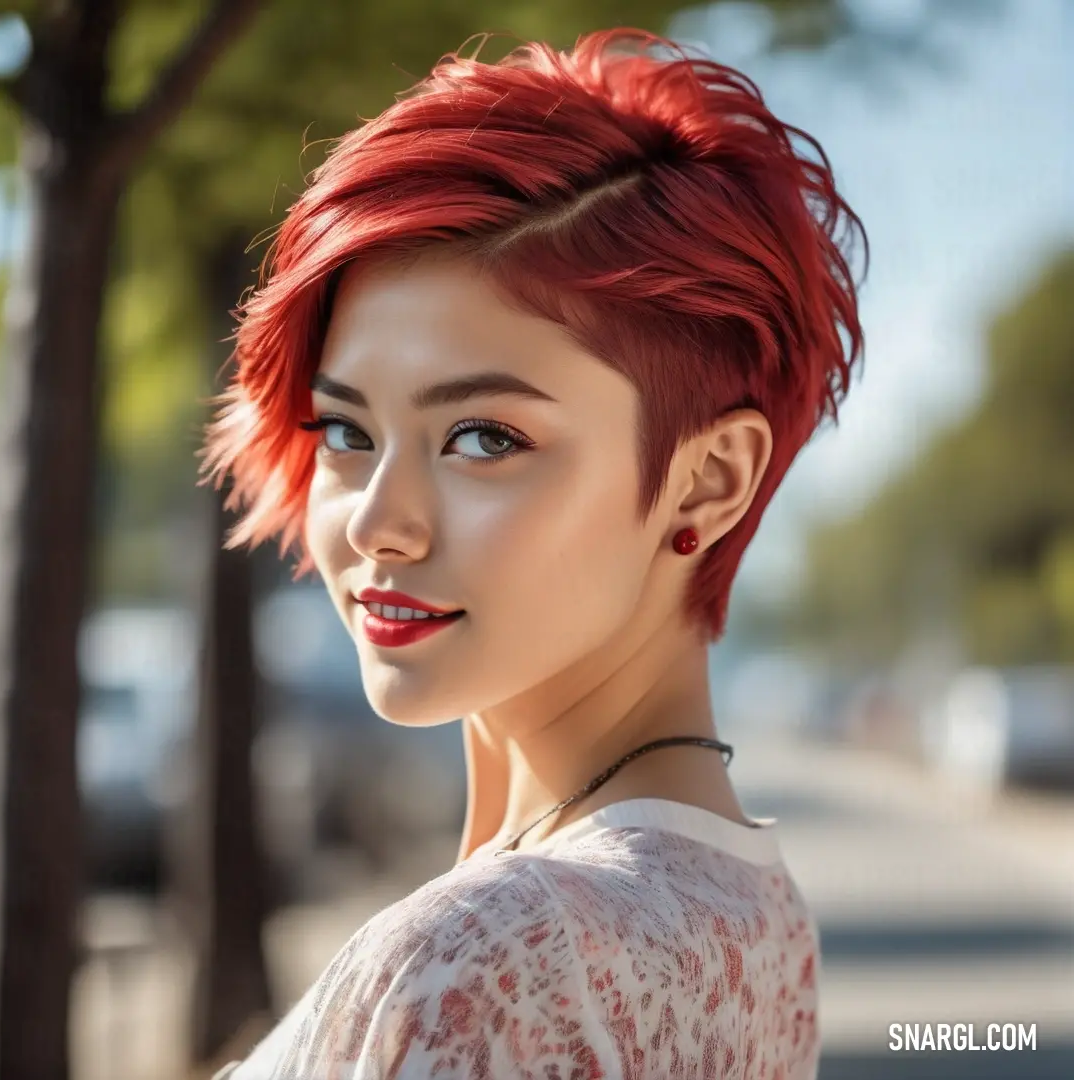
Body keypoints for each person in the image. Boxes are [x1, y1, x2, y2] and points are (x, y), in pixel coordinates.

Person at [202, 25, 866, 1080]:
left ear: (709, 480)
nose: (379, 519)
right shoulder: (758, 908)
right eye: (346, 431)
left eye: (482, 438)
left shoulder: (485, 957)